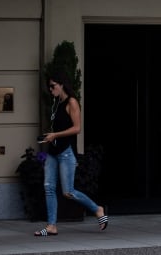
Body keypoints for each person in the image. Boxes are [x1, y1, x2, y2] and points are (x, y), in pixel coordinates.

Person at [34, 72, 107, 236]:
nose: (50, 89)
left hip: (66, 152)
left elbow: (77, 128)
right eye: (49, 87)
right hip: (52, 151)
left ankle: (97, 209)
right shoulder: (56, 103)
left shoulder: (72, 102)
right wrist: (49, 136)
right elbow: (59, 127)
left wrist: (55, 135)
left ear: (62, 84)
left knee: (68, 192)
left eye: (53, 86)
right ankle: (51, 226)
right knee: (49, 188)